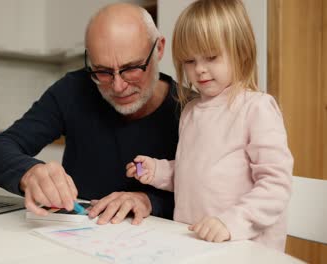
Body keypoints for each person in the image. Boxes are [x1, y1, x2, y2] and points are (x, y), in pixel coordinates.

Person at [0, 3, 181, 225]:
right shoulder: (74, 89)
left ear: (160, 48)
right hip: (74, 236)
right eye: (103, 71)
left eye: (131, 68)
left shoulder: (191, 108)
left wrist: (150, 201)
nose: (118, 86)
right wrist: (29, 173)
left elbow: (214, 196)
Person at [126, 0, 293, 251]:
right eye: (189, 61)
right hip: (194, 242)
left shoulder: (257, 108)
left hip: (244, 247)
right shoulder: (192, 111)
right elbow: (194, 172)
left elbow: (275, 185)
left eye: (211, 57)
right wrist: (158, 171)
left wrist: (230, 223)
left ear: (241, 51)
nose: (200, 70)